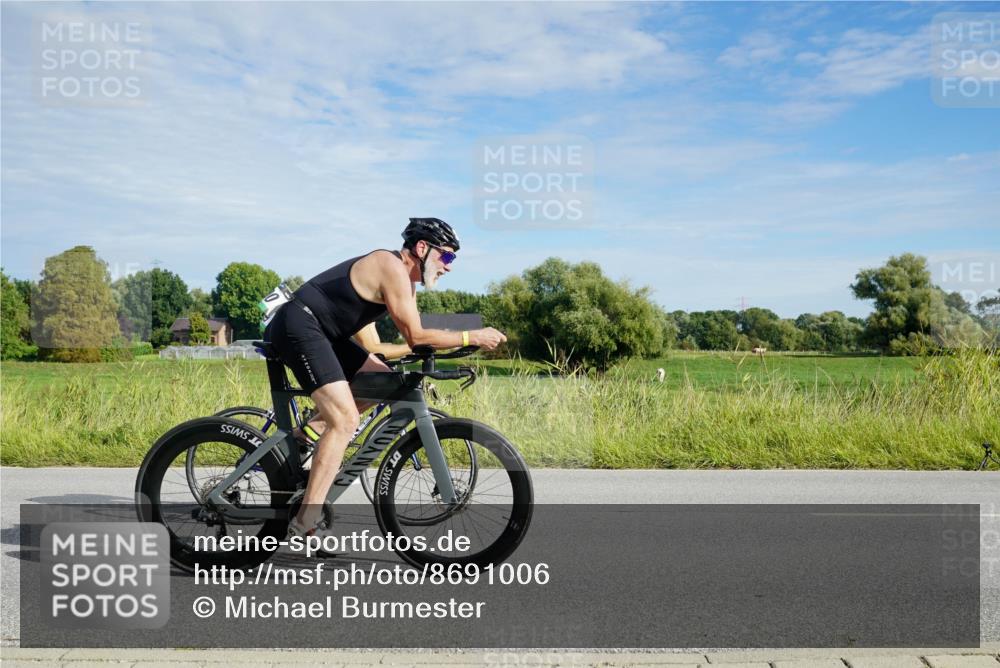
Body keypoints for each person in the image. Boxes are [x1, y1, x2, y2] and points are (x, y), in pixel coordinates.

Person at [264, 217, 507, 536]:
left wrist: (452, 348)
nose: (449, 266)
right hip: (299, 326)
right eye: (447, 255)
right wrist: (470, 336)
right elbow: (416, 337)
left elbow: (415, 338)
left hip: (325, 334)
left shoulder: (408, 284)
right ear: (422, 248)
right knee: (345, 420)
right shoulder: (390, 266)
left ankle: (305, 437)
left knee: (385, 382)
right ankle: (305, 522)